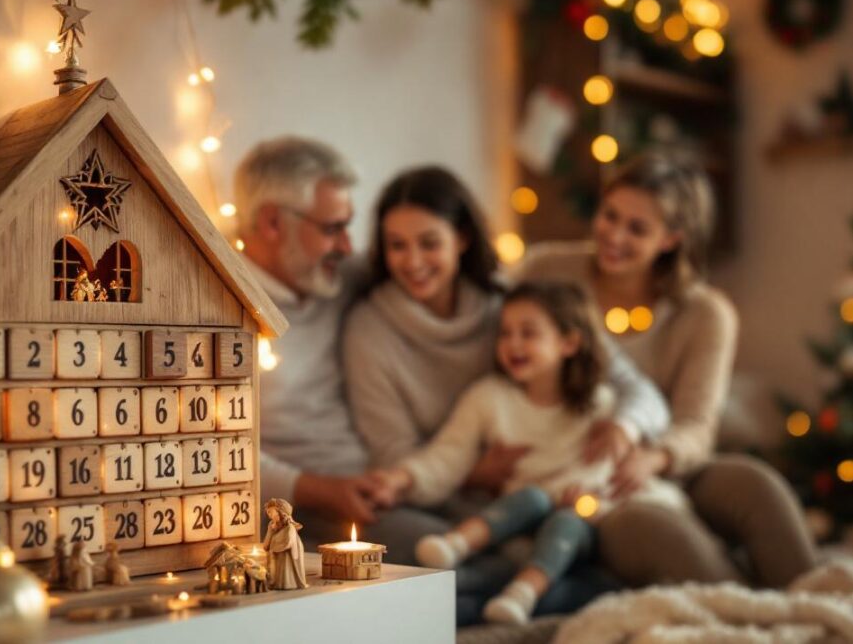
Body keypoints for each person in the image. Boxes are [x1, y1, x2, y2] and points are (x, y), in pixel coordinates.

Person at [519, 154, 817, 587]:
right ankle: (742, 613)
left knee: (756, 484)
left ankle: (818, 605)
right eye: (610, 215)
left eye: (637, 228)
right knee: (658, 529)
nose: (614, 236)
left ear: (672, 239)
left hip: (666, 463)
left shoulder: (705, 313)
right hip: (587, 480)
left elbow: (696, 425)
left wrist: (654, 458)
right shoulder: (548, 272)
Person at [373, 281, 687, 624]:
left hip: (577, 526)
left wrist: (587, 502)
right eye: (505, 333)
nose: (513, 344)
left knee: (564, 522)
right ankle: (454, 547)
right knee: (532, 500)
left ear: (569, 343)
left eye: (528, 333)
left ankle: (522, 595)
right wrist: (399, 479)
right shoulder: (488, 398)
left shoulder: (600, 405)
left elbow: (609, 473)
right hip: (516, 520)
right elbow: (447, 456)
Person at [343, 165, 670, 476]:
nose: (413, 261)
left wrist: (624, 428)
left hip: (555, 483)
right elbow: (391, 456)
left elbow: (638, 390)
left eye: (429, 243)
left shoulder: (509, 304)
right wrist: (473, 475)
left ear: (462, 239)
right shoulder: (369, 332)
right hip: (438, 495)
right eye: (397, 245)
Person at [234, 137, 459, 566]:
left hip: (384, 484)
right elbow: (217, 449)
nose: (348, 246)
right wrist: (318, 490)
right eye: (332, 228)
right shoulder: (219, 307)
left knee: (507, 540)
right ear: (272, 223)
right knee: (456, 554)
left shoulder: (338, 278)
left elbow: (439, 274)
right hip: (299, 510)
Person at [262, 498, 308, 590]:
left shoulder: (290, 528)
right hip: (275, 560)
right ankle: (275, 583)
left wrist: (273, 549)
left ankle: (288, 583)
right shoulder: (272, 526)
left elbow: (287, 543)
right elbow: (265, 546)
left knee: (285, 573)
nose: (269, 514)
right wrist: (270, 531)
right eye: (268, 512)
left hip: (286, 558)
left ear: (280, 512)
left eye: (271, 511)